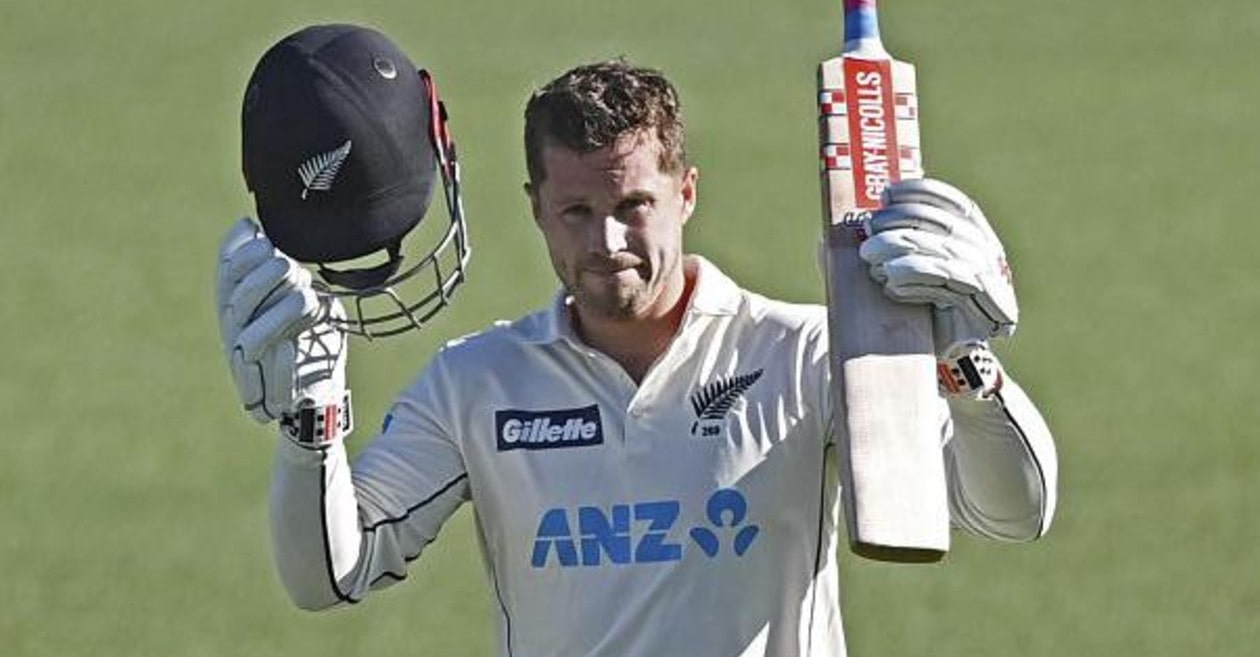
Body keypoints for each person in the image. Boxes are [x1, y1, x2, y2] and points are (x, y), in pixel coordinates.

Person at [217, 25, 1057, 657]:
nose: (608, 242)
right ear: (537, 207)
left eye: (634, 207)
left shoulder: (801, 354)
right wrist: (309, 426)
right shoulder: (477, 385)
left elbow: (1012, 512)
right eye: (577, 213)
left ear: (686, 192)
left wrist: (965, 366)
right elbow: (328, 574)